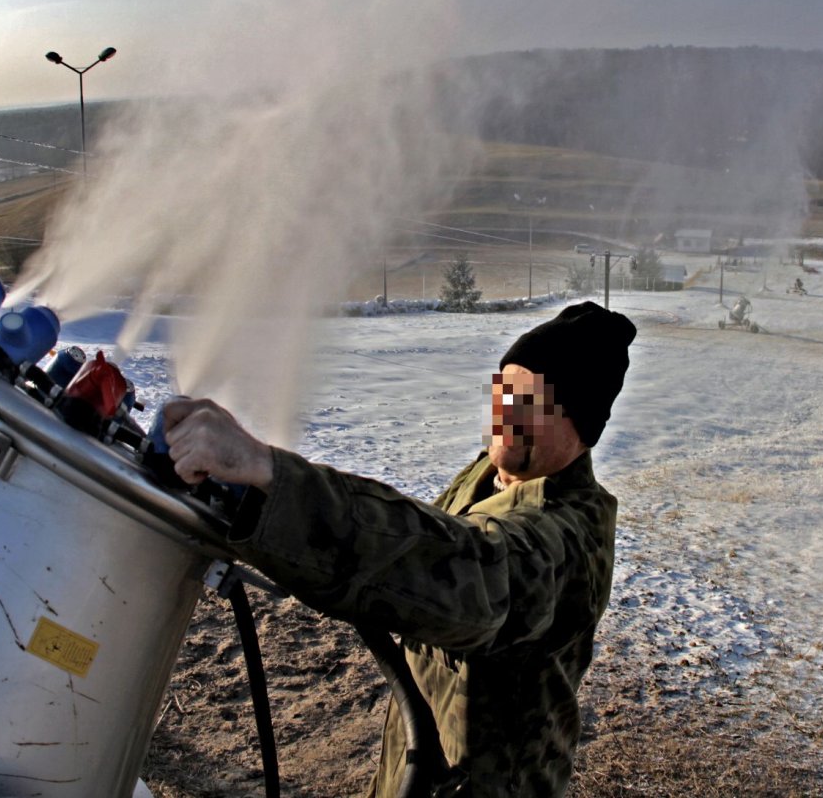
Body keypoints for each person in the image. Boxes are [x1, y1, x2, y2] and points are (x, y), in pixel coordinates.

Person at [162, 301, 637, 798]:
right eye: (504, 389)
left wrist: (273, 475)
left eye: (534, 402)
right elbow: (411, 530)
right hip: (418, 770)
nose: (506, 412)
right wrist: (255, 498)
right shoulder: (489, 476)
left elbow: (460, 567)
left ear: (581, 429)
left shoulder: (570, 536)